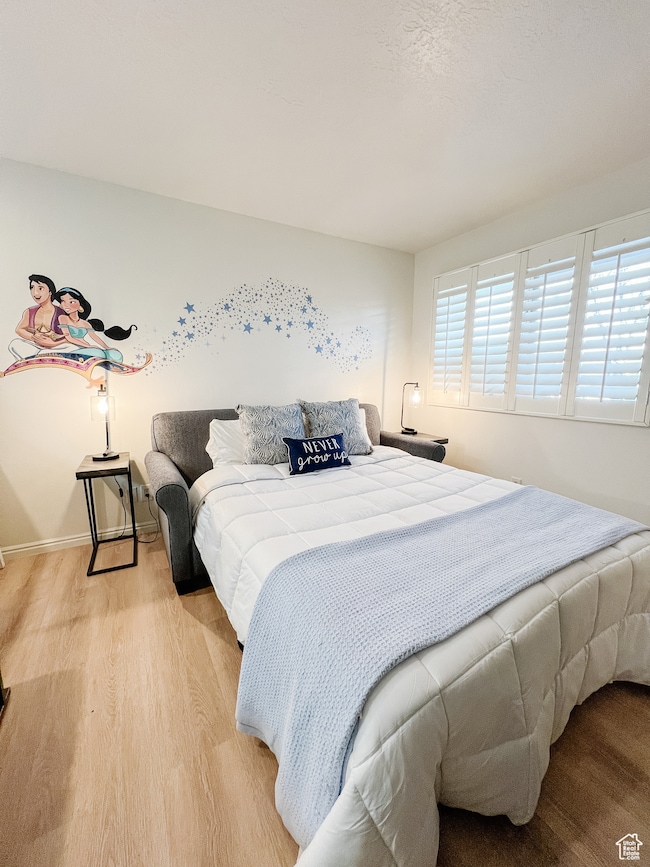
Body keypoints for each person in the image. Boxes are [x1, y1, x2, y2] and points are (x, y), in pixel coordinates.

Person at [53, 288, 136, 362]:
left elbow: (95, 337)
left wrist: (107, 348)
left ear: (80, 305)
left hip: (85, 348)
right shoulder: (63, 318)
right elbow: (69, 337)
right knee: (98, 353)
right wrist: (88, 346)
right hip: (70, 348)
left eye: (71, 302)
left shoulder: (85, 323)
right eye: (63, 301)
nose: (66, 305)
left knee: (115, 354)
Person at [9, 275, 67, 360]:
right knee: (14, 344)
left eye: (40, 288)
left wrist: (52, 343)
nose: (35, 293)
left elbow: (70, 337)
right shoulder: (30, 311)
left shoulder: (61, 312)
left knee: (70, 347)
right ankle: (40, 357)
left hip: (56, 347)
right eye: (32, 288)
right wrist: (33, 337)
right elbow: (19, 329)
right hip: (36, 347)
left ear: (50, 291)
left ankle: (38, 357)